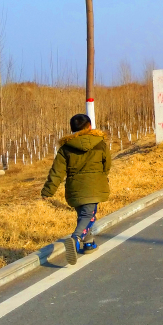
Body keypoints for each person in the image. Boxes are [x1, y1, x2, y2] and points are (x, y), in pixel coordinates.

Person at [41, 113, 112, 265]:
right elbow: (107, 165)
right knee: (89, 216)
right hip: (94, 185)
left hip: (74, 187)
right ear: (90, 126)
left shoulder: (66, 148)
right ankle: (76, 239)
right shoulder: (100, 143)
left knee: (83, 216)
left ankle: (89, 243)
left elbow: (57, 171)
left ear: (72, 128)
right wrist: (100, 176)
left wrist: (48, 190)